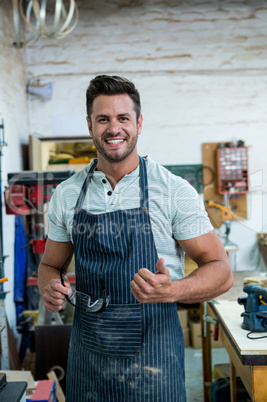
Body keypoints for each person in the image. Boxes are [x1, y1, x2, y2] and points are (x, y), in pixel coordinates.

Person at [38, 75, 233, 402]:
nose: (114, 128)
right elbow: (50, 265)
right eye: (103, 119)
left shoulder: (173, 190)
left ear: (138, 123)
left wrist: (174, 290)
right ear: (90, 125)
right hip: (90, 361)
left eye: (123, 118)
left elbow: (221, 272)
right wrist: (51, 286)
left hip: (154, 361)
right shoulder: (66, 194)